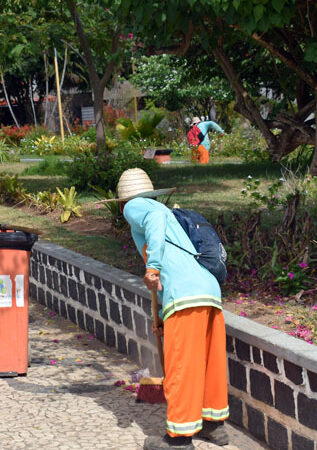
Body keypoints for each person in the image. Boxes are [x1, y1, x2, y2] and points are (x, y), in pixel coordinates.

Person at [106, 168, 230, 450]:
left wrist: (153, 267)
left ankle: (179, 438)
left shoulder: (137, 207)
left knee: (182, 365)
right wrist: (163, 316)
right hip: (207, 289)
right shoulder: (161, 208)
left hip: (185, 294)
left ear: (123, 203)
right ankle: (214, 427)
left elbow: (154, 220)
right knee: (209, 362)